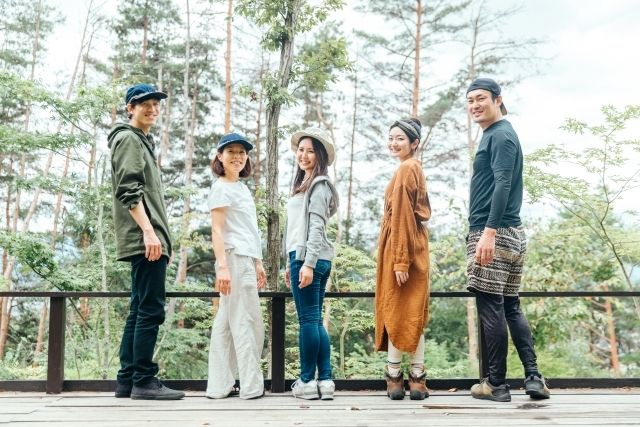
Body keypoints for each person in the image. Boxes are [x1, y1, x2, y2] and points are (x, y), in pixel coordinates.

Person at [465, 77, 550, 402]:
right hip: (511, 233)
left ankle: (496, 384)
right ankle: (533, 377)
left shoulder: (500, 134)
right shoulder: (499, 134)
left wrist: (488, 231)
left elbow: (502, 183)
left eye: (481, 98)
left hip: (493, 232)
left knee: (491, 308)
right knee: (511, 305)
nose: (475, 105)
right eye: (470, 100)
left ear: (498, 99)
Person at [108, 83, 184, 400]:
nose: (152, 109)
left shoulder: (140, 140)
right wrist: (150, 232)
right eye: (144, 104)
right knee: (150, 310)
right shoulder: (128, 139)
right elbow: (129, 190)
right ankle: (143, 380)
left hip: (147, 238)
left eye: (156, 104)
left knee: (139, 308)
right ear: (130, 108)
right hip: (145, 239)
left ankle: (127, 380)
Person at [205, 132, 266, 400]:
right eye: (231, 151)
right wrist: (222, 267)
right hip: (233, 259)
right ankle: (251, 387)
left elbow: (248, 229)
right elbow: (217, 231)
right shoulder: (221, 187)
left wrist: (258, 262)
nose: (237, 157)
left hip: (244, 258)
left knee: (227, 323)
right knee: (246, 321)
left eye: (242, 152)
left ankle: (220, 385)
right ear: (220, 156)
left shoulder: (240, 187)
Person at [375, 118, 431, 401]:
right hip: (415, 246)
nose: (393, 143)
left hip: (401, 247)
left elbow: (401, 217)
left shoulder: (406, 168)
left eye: (400, 138)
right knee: (413, 312)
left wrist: (399, 261)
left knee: (397, 311)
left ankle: (395, 376)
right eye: (391, 138)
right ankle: (417, 379)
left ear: (414, 143)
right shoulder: (414, 167)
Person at [284, 127, 339, 400]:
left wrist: (306, 263)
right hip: (305, 257)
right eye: (301, 150)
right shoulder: (305, 184)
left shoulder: (319, 184)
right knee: (315, 320)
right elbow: (296, 229)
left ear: (320, 156)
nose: (303, 155)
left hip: (309, 257)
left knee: (307, 320)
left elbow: (316, 227)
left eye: (310, 151)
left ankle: (306, 382)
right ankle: (325, 381)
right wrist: (289, 263)